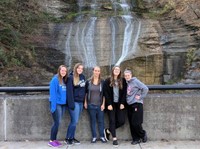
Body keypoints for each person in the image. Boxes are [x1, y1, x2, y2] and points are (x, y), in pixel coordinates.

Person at [48, 65, 74, 147]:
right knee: (57, 122)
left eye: (65, 71)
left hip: (63, 105)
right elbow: (53, 94)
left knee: (58, 122)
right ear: (59, 71)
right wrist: (53, 106)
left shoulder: (64, 80)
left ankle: (55, 139)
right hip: (57, 104)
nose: (64, 72)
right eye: (62, 70)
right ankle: (51, 140)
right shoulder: (55, 80)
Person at [103, 66, 127, 147]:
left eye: (118, 69)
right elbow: (105, 93)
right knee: (112, 120)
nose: (117, 71)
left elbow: (124, 93)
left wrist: (123, 103)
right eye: (115, 69)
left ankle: (108, 130)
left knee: (121, 121)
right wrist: (109, 104)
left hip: (120, 104)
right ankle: (114, 138)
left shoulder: (123, 80)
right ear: (112, 71)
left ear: (120, 71)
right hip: (111, 104)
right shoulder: (107, 81)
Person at [123, 69, 149, 145]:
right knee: (131, 123)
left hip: (136, 104)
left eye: (128, 75)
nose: (127, 77)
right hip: (129, 105)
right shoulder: (126, 83)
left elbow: (145, 88)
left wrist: (140, 97)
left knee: (136, 123)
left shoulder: (135, 81)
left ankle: (143, 134)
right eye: (125, 76)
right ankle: (136, 139)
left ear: (131, 75)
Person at [84, 66, 107, 143]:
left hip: (100, 105)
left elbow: (104, 94)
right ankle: (94, 136)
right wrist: (85, 102)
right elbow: (86, 93)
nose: (97, 72)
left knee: (101, 121)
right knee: (93, 121)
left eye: (98, 71)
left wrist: (103, 104)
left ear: (100, 72)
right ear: (93, 71)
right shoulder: (88, 82)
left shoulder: (102, 82)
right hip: (91, 105)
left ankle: (102, 136)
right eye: (95, 70)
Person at [65, 63, 86, 146]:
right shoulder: (70, 78)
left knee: (74, 121)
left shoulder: (83, 77)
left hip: (81, 102)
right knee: (74, 121)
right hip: (74, 102)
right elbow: (69, 92)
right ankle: (68, 138)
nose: (80, 70)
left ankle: (72, 137)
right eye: (79, 68)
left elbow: (84, 90)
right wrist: (71, 104)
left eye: (81, 68)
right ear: (75, 68)